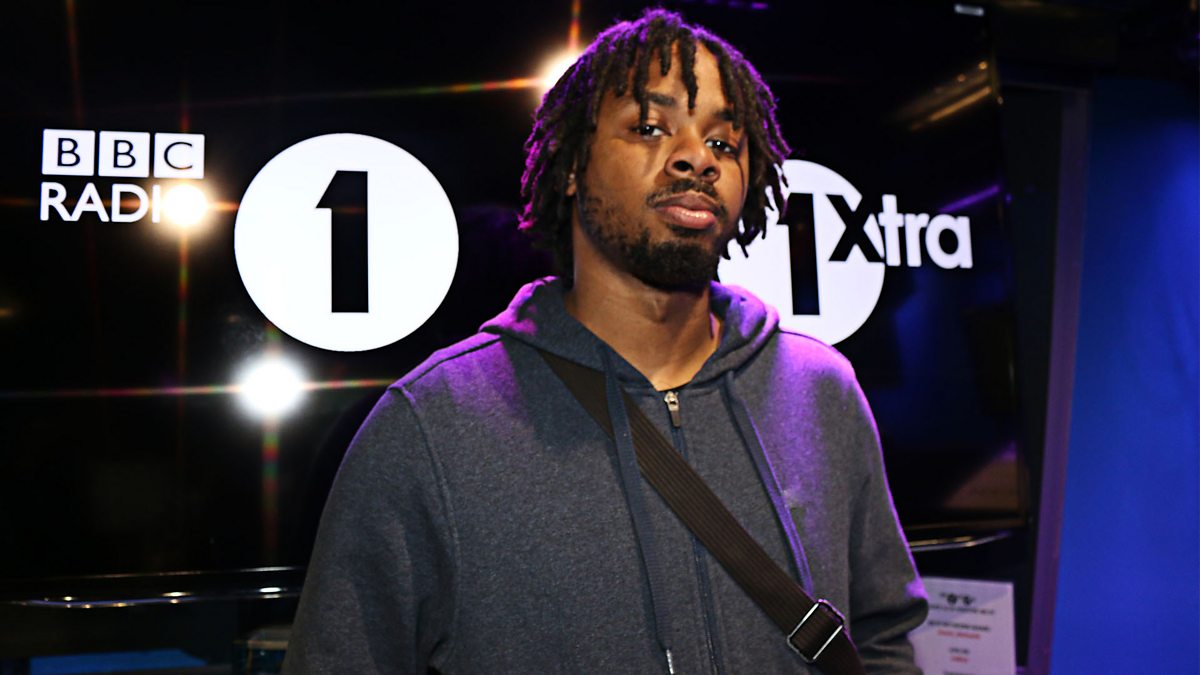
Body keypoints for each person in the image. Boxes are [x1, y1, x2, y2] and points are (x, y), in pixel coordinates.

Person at [284, 8, 927, 674]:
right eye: (649, 127)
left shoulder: (820, 390)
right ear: (571, 165)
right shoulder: (433, 424)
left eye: (724, 142)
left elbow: (881, 638)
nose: (696, 159)